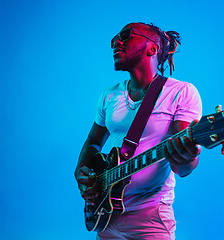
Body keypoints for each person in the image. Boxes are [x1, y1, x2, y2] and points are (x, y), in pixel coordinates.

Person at [75, 22, 202, 240]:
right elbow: (93, 141)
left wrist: (187, 155)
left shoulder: (181, 92)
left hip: (150, 218)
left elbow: (183, 169)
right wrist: (81, 171)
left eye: (125, 35)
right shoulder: (110, 95)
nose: (117, 42)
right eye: (114, 38)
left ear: (152, 48)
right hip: (106, 215)